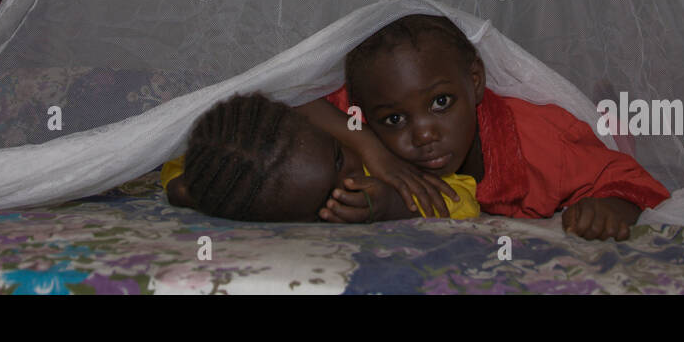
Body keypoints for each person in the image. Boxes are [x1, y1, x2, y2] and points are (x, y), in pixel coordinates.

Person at [324, 14, 671, 240]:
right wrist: (372, 149)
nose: (424, 134)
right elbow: (287, 99)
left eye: (441, 102)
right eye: (395, 119)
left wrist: (610, 205)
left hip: (564, 131)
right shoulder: (373, 99)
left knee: (613, 137)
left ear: (475, 81)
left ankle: (606, 108)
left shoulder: (544, 146)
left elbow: (634, 180)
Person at [161, 92, 479, 222]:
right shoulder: (237, 173)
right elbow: (197, 171)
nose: (352, 181)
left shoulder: (384, 158)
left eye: (339, 159)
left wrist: (369, 147)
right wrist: (391, 209)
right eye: (325, 199)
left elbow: (463, 197)